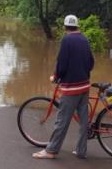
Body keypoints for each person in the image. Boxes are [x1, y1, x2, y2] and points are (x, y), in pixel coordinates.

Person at [33, 14, 94, 160]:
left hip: (71, 88)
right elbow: (91, 62)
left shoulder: (66, 40)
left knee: (62, 120)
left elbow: (62, 62)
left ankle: (51, 150)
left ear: (65, 27)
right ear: (77, 26)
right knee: (83, 119)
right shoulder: (84, 39)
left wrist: (56, 76)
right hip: (85, 86)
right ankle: (81, 150)